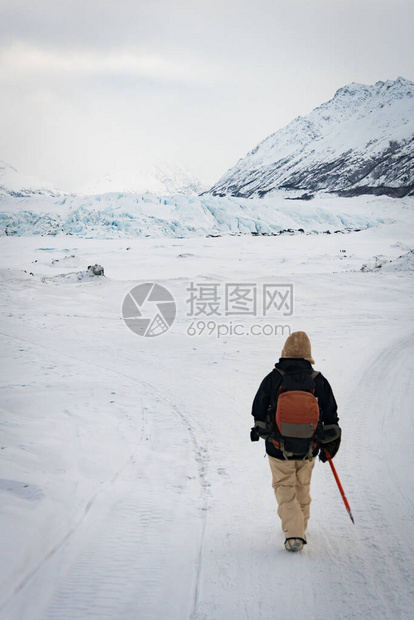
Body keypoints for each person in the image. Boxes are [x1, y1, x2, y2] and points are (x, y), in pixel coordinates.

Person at [251, 331, 341, 552]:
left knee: (284, 486)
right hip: (309, 448)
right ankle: (300, 527)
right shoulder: (318, 380)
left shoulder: (274, 377)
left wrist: (261, 430)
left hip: (277, 447)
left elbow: (258, 410)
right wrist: (329, 444)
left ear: (285, 351)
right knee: (302, 486)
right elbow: (331, 417)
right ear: (308, 353)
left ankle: (294, 535)